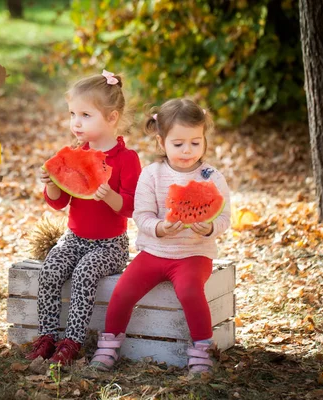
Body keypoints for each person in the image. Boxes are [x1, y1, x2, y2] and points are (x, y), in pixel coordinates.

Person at [89, 98, 231, 375]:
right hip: (153, 253)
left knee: (190, 291)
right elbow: (141, 215)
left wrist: (211, 228)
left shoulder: (212, 176)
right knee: (122, 292)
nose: (188, 150)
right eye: (178, 144)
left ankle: (202, 351)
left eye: (195, 142)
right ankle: (108, 346)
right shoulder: (151, 175)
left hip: (194, 254)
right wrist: (158, 228)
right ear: (161, 142)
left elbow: (224, 217)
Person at [26, 70, 142, 366]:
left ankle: (72, 341)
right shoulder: (75, 155)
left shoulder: (127, 159)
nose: (75, 122)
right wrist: (51, 183)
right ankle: (47, 335)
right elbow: (59, 202)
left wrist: (111, 197)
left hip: (110, 246)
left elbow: (132, 206)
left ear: (112, 117)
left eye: (85, 115)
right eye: (72, 114)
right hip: (74, 239)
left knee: (84, 273)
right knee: (50, 269)